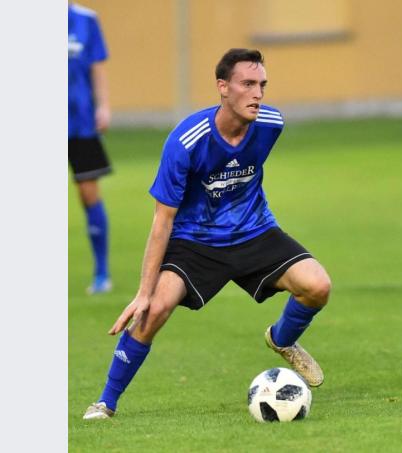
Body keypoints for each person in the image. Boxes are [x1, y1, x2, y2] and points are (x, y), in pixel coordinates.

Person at [83, 49, 332, 420]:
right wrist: (144, 292)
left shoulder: (270, 124)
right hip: (194, 242)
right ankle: (106, 402)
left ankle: (282, 339)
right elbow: (162, 221)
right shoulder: (185, 142)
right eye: (248, 84)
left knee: (318, 286)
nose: (258, 94)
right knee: (155, 309)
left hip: (253, 231)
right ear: (223, 87)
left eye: (262, 85)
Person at [68, 3, 113, 294]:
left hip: (80, 123)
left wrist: (104, 105)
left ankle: (101, 273)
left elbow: (97, 66)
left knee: (88, 193)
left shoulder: (86, 20)